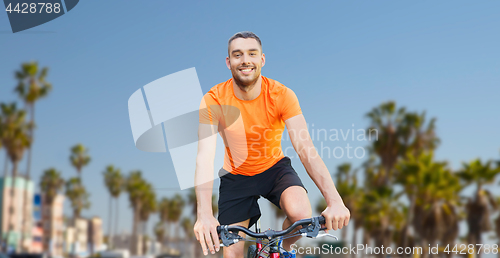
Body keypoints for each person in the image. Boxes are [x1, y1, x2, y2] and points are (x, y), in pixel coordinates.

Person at [194, 31, 350, 258]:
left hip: (274, 168)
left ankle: (281, 248)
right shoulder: (214, 99)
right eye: (237, 55)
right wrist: (204, 214)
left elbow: (305, 149)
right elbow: (205, 157)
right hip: (235, 175)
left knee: (301, 215)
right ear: (228, 62)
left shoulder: (282, 95)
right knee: (232, 255)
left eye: (252, 54)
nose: (245, 60)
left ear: (262, 59)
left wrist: (335, 201)